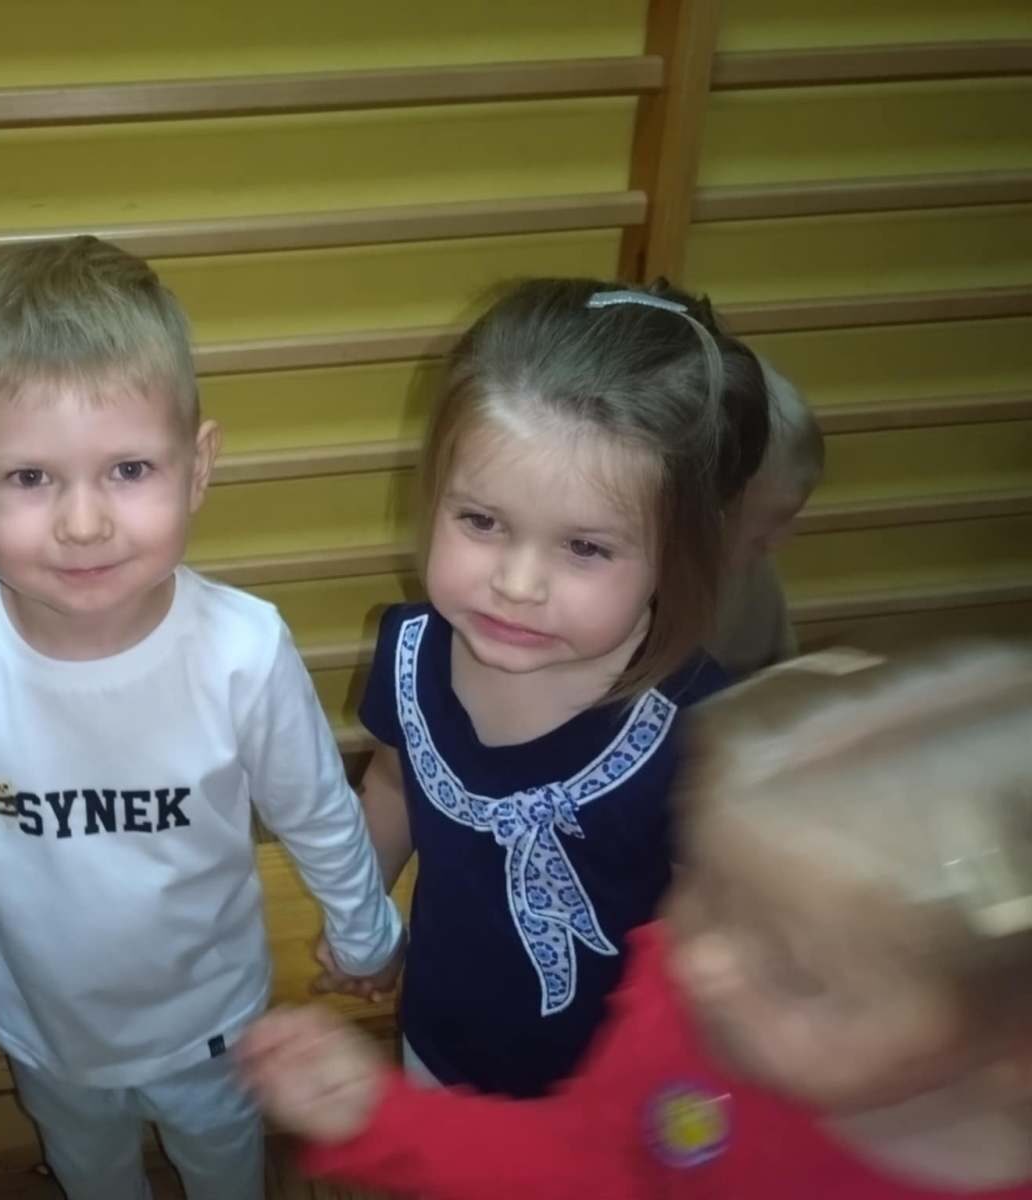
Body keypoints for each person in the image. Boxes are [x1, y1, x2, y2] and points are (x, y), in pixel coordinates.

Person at [0, 235, 404, 1200]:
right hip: (48, 1031)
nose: (83, 524)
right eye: (30, 478)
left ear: (198, 466)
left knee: (225, 1172)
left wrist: (363, 930)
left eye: (128, 469)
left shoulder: (243, 649)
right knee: (90, 1173)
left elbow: (316, 809)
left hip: (213, 1023)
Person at [240, 642, 1032, 1198]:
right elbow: (586, 1159)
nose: (704, 963)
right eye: (708, 889)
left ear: (1010, 1050)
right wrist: (381, 1116)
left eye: (794, 972)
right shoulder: (683, 1001)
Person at [332, 278, 769, 1097]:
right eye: (481, 521)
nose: (518, 584)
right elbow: (390, 788)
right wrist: (362, 922)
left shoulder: (702, 731)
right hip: (438, 1040)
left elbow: (717, 942)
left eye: (586, 548)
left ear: (680, 554)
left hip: (615, 1092)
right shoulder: (411, 652)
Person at [707, 357, 825, 675]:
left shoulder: (753, 575)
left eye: (788, 518)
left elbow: (780, 676)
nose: (780, 541)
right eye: (763, 532)